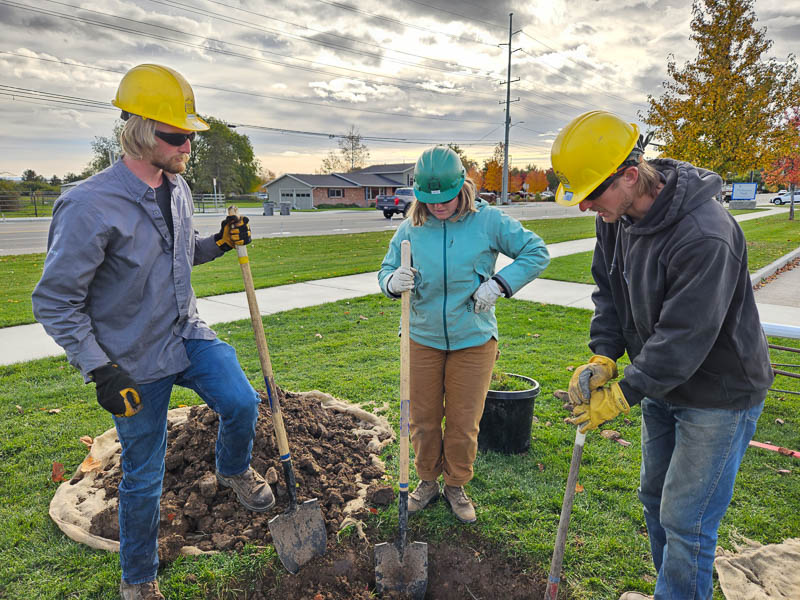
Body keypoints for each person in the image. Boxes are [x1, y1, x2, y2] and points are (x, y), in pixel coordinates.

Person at [32, 64, 274, 600]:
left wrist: (220, 242)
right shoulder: (88, 205)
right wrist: (100, 368)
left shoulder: (179, 187)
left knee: (240, 402)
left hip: (185, 334)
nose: (188, 143)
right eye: (176, 134)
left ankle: (232, 470)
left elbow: (178, 257)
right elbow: (54, 300)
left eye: (190, 134)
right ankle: (138, 579)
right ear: (141, 132)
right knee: (145, 473)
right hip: (130, 360)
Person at [550, 110, 774, 600]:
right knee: (654, 498)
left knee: (686, 519)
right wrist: (605, 355)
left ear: (631, 174)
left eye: (592, 192)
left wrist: (626, 391)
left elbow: (685, 336)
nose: (586, 206)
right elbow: (609, 290)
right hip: (663, 383)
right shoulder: (618, 216)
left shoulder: (705, 233)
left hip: (719, 392)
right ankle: (671, 591)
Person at [378, 146, 550, 523]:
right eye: (430, 200)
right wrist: (392, 282)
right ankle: (426, 481)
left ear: (463, 187)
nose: (438, 206)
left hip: (473, 339)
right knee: (421, 418)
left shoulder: (488, 221)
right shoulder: (411, 227)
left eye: (446, 199)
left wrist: (500, 284)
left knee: (463, 420)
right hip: (421, 337)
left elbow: (536, 252)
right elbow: (386, 270)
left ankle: (455, 484)